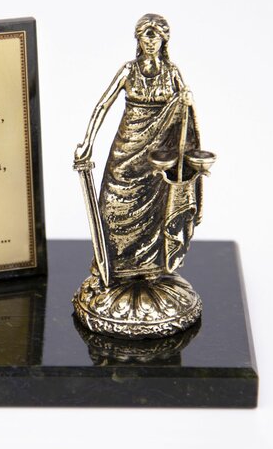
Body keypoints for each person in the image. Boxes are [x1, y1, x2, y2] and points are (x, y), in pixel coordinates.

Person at [74, 14, 201, 279]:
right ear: (139, 39)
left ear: (164, 41)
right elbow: (102, 105)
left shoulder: (172, 72)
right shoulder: (128, 71)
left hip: (159, 155)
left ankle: (151, 268)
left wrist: (187, 101)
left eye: (156, 37)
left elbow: (186, 114)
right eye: (146, 36)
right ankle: (115, 267)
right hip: (126, 149)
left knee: (156, 209)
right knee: (112, 203)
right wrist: (88, 143)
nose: (151, 42)